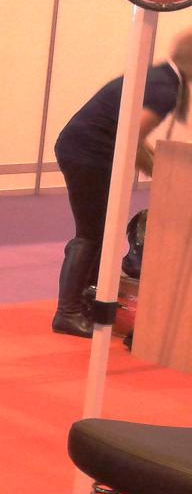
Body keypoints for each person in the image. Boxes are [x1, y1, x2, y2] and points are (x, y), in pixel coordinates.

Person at [50, 34, 192, 337]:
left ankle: (85, 301)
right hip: (87, 155)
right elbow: (130, 136)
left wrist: (158, 167)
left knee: (98, 231)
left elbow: (131, 135)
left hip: (82, 150)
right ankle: (68, 312)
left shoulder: (160, 77)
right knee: (92, 233)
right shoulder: (166, 89)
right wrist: (163, 177)